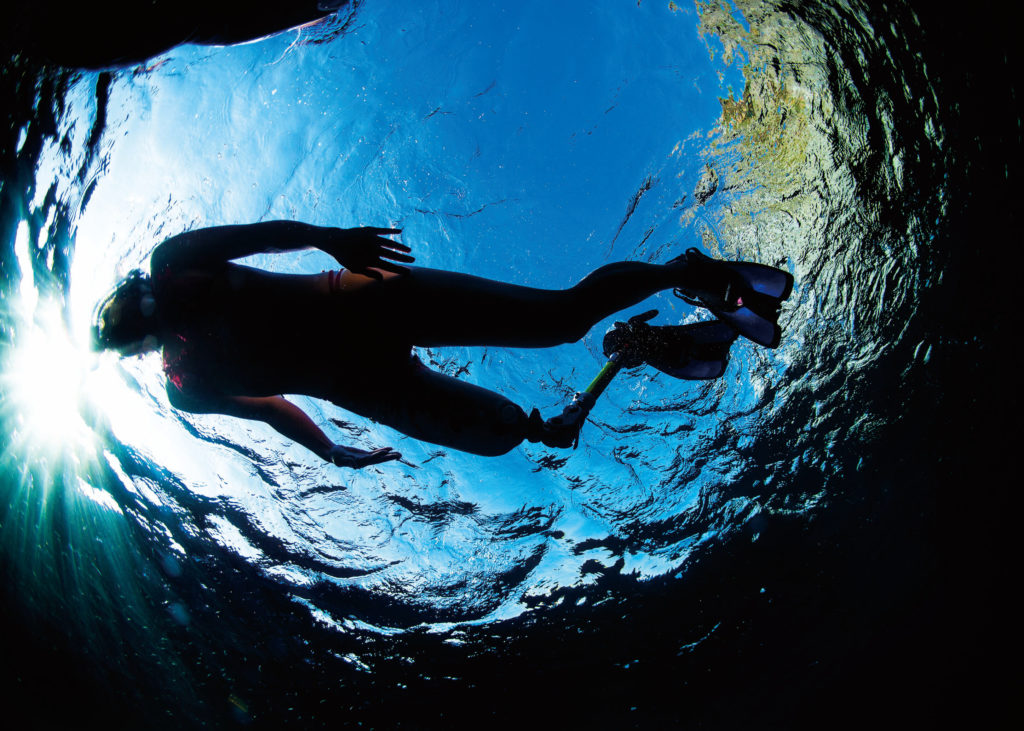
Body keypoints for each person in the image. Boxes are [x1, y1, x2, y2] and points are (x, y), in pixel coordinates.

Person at [93, 221, 791, 467]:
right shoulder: (187, 388)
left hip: (370, 302)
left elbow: (263, 235)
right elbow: (272, 407)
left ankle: (684, 273)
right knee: (502, 436)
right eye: (145, 326)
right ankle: (573, 404)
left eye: (144, 308)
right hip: (360, 385)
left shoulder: (173, 264)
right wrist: (331, 448)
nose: (156, 317)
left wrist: (326, 237)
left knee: (560, 319)